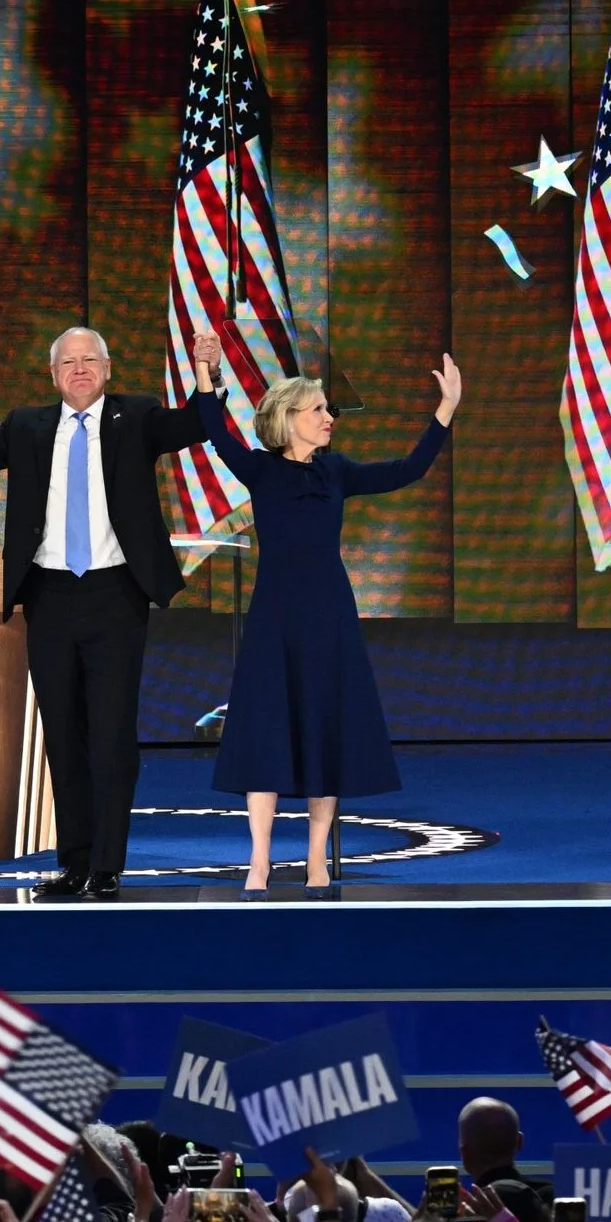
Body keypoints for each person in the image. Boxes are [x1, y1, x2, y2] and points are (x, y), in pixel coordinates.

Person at [0, 327, 210, 898]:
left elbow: (195, 425)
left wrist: (205, 375)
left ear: (107, 369)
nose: (79, 370)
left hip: (115, 596)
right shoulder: (27, 425)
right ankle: (74, 861)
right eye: (68, 363)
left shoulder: (138, 417)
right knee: (62, 734)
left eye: (90, 360)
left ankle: (107, 865)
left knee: (111, 735)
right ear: (53, 375)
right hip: (49, 597)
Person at [184, 335, 460, 893]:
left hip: (329, 615)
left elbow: (408, 469)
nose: (329, 417)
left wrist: (446, 409)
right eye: (318, 410)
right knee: (266, 732)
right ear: (288, 420)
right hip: (274, 619)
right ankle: (258, 861)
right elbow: (216, 431)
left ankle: (316, 860)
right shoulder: (260, 471)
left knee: (323, 727)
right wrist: (204, 370)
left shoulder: (337, 472)